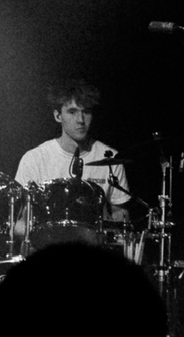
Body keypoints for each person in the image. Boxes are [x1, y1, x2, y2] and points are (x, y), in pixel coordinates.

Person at [12, 79, 135, 232]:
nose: (80, 120)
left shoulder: (111, 158)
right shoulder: (35, 159)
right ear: (58, 116)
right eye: (72, 112)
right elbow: (19, 221)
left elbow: (119, 213)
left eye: (86, 112)